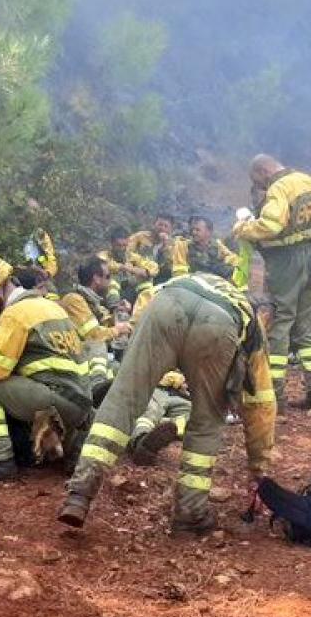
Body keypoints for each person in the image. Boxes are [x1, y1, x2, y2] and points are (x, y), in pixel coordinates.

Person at [58, 272, 275, 532]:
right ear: (262, 313)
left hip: (166, 304)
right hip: (218, 326)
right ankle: (190, 513)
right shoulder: (253, 328)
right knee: (207, 420)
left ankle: (80, 493)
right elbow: (260, 405)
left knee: (123, 399)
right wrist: (258, 468)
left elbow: (142, 310)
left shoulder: (197, 278)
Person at [0, 256, 93, 483]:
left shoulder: (16, 314)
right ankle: (72, 446)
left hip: (55, 399)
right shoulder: (48, 305)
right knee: (21, 382)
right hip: (82, 403)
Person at [235, 154, 311, 414]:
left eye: (259, 182)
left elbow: (271, 225)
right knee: (305, 327)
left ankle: (275, 392)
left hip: (287, 261)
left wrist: (244, 229)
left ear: (263, 171)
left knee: (281, 323)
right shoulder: (307, 180)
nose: (262, 188)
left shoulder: (279, 187)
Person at [59, 257, 130, 397]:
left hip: (85, 357)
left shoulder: (92, 302)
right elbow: (93, 335)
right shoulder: (74, 300)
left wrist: (119, 312)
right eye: (108, 276)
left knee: (117, 368)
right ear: (96, 278)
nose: (111, 282)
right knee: (98, 345)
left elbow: (104, 324)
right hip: (72, 356)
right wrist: (117, 330)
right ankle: (97, 385)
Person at [99, 227, 159, 307]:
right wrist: (122, 267)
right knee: (112, 281)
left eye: (124, 245)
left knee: (146, 280)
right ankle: (115, 308)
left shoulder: (131, 256)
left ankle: (145, 307)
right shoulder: (103, 255)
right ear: (112, 244)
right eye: (118, 246)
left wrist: (138, 270)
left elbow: (153, 267)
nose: (122, 249)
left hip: (129, 289)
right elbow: (105, 264)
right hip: (108, 293)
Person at [187, 216, 240, 281]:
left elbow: (232, 258)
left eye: (198, 230)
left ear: (208, 232)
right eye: (193, 230)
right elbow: (179, 270)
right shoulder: (185, 246)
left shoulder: (217, 245)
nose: (193, 232)